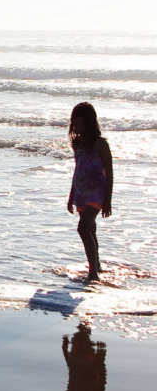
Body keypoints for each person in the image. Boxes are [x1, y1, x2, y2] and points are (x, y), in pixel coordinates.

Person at [66, 102, 112, 283]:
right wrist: (71, 196)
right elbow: (77, 170)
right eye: (75, 124)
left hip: (97, 192)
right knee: (91, 229)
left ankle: (93, 273)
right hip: (81, 192)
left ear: (91, 123)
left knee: (83, 227)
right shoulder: (76, 143)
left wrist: (108, 200)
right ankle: (97, 264)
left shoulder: (101, 145)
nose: (78, 128)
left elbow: (109, 173)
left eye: (82, 124)